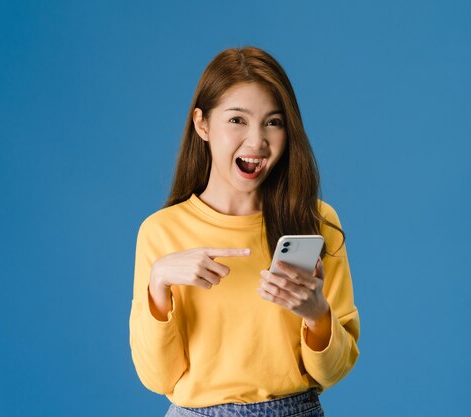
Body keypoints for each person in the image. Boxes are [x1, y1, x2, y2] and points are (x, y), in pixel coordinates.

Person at [129, 46, 359, 417]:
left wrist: (317, 316)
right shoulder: (160, 232)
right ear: (202, 124)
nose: (257, 142)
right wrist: (159, 287)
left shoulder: (314, 222)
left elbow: (333, 371)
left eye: (274, 122)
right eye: (237, 120)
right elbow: (158, 378)